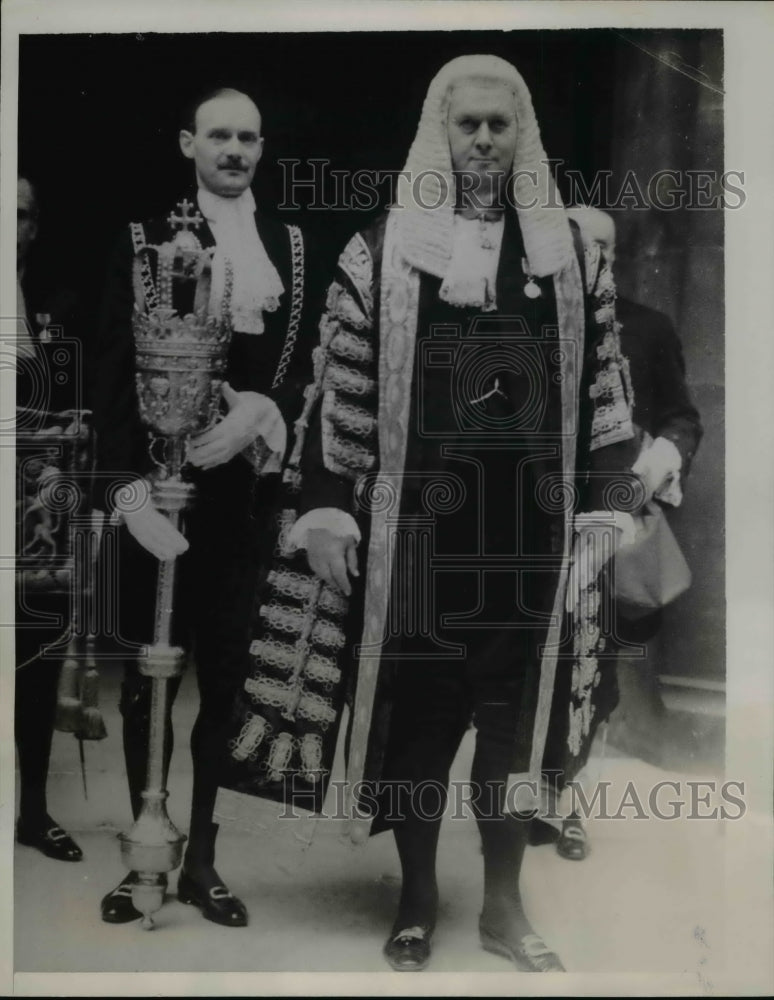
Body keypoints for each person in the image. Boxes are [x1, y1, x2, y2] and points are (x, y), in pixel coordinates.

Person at [223, 55, 641, 971]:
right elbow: (340, 395)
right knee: (418, 724)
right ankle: (417, 898)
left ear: (522, 133)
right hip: (417, 534)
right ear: (439, 135)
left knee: (514, 726)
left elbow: (608, 389)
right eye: (468, 126)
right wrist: (329, 512)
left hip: (531, 536)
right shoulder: (381, 253)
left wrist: (608, 506)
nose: (484, 140)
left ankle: (502, 907)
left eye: (499, 125)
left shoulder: (574, 254)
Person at [92, 87, 319, 927]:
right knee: (149, 681)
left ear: (262, 148)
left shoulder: (292, 246)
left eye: (248, 137)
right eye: (218, 135)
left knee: (226, 680)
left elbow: (306, 367)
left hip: (244, 497)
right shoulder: (145, 241)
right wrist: (131, 492)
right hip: (156, 496)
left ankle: (204, 862)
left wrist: (264, 415)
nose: (234, 149)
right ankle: (144, 849)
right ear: (189, 142)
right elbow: (114, 375)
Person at [527, 205, 703, 857]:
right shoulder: (522, 320)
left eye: (600, 246)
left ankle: (562, 799)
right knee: (519, 665)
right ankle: (516, 796)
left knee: (589, 669)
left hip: (607, 522)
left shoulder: (648, 328)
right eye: (573, 246)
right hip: (527, 522)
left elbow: (684, 417)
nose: (588, 257)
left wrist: (659, 460)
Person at [15, 175, 87, 863]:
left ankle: (33, 811)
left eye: (20, 215)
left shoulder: (60, 309)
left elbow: (79, 405)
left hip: (35, 515)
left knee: (33, 661)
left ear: (35, 228)